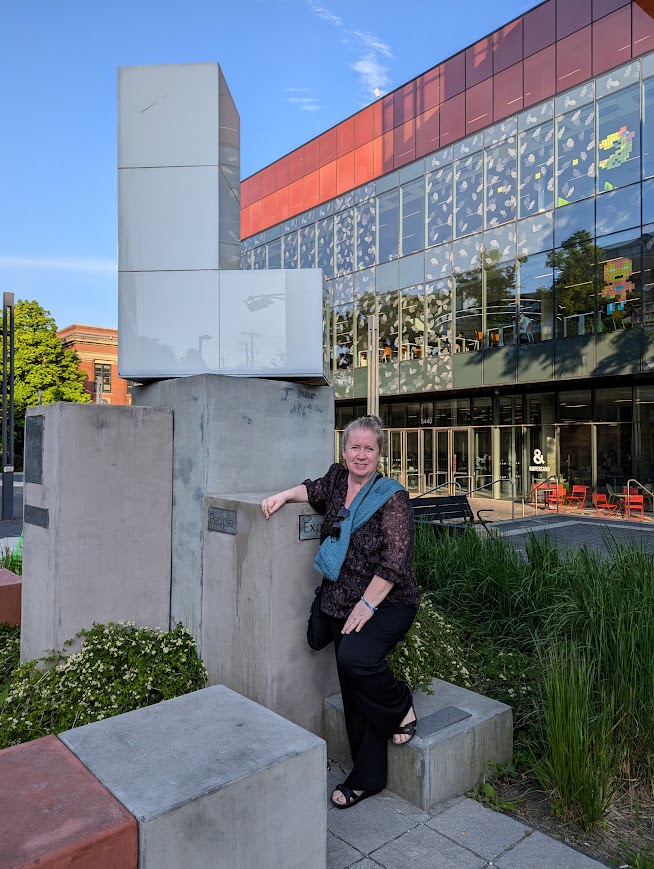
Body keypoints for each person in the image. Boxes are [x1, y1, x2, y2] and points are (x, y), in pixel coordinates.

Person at [261, 414, 420, 809]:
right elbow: (309, 490)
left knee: (355, 659)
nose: (361, 455)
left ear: (380, 453)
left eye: (369, 448)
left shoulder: (392, 497)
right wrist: (283, 495)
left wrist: (367, 605)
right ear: (344, 450)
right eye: (355, 447)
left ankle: (400, 703)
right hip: (340, 599)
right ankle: (368, 777)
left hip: (387, 602)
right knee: (351, 689)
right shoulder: (335, 480)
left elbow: (394, 564)